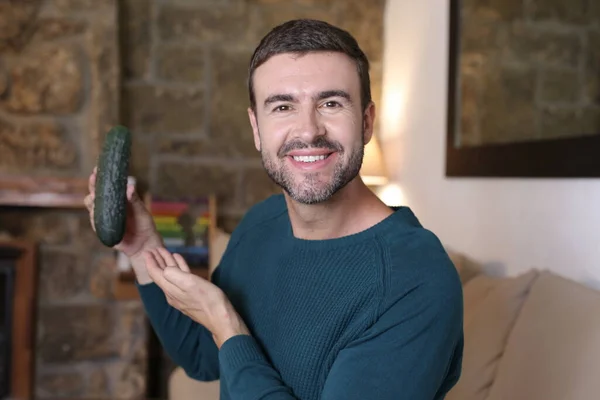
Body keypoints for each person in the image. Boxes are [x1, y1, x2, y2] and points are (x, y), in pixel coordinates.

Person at [84, 19, 463, 400]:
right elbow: (202, 357)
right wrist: (142, 247)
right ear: (256, 128)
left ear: (366, 122)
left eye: (330, 103)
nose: (308, 130)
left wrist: (226, 322)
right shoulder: (259, 225)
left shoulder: (416, 278)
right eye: (282, 106)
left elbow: (226, 336)